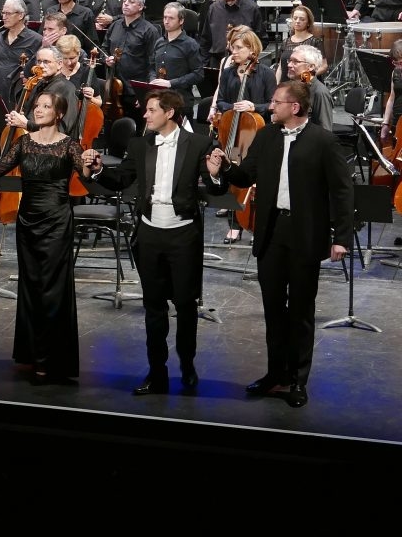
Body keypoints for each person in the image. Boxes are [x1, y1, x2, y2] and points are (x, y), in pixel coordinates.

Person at [219, 80, 354, 408]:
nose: (270, 106)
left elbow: (342, 191)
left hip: (305, 233)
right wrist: (222, 167)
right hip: (272, 232)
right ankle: (274, 374)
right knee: (273, 309)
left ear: (295, 107)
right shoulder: (266, 137)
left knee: (301, 311)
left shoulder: (322, 141)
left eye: (277, 102)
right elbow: (245, 176)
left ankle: (297, 379)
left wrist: (342, 238)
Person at [83, 89, 226, 395]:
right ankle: (156, 371)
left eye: (150, 110)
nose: (144, 115)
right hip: (149, 232)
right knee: (154, 306)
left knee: (186, 306)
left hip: (183, 234)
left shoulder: (198, 143)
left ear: (169, 113)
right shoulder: (141, 143)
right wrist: (97, 170)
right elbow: (122, 179)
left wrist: (215, 175)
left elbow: (214, 188)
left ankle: (187, 366)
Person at [0, 91, 87, 383]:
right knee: (32, 287)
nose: (39, 110)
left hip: (57, 222)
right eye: (37, 105)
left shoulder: (70, 145)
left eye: (46, 106)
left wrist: (93, 164)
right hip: (28, 222)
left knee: (53, 288)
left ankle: (53, 358)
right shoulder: (24, 143)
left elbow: (87, 173)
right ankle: (34, 355)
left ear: (59, 114)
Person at [212, 27, 277, 243]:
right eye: (232, 47)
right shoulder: (229, 72)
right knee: (232, 178)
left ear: (252, 49)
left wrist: (253, 107)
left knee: (257, 180)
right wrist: (233, 107)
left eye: (239, 48)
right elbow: (220, 100)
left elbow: (273, 104)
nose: (234, 51)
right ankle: (234, 224)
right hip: (233, 133)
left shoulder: (266, 73)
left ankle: (255, 221)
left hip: (257, 134)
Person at [99, 0, 158, 116]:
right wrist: (106, 59)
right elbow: (103, 49)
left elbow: (153, 63)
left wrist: (146, 92)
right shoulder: (114, 26)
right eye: (125, 1)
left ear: (141, 7)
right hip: (113, 87)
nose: (126, 4)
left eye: (131, 2)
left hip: (134, 89)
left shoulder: (149, 30)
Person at [3, 47, 79, 136]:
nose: (41, 66)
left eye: (46, 62)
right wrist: (17, 118)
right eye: (39, 61)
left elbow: (62, 128)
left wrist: (27, 124)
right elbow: (30, 114)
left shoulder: (66, 88)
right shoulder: (39, 84)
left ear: (59, 64)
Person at [151, 3, 205, 119]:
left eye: (171, 18)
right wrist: (152, 82)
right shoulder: (159, 42)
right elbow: (151, 66)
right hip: (159, 99)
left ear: (181, 21)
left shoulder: (190, 44)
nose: (166, 21)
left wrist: (171, 83)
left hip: (180, 101)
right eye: (165, 17)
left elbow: (198, 74)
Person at [0, 0, 42, 107]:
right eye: (3, 13)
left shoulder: (36, 40)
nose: (4, 17)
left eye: (8, 13)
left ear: (21, 15)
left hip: (19, 98)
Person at [198, 0, 261, 66]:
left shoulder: (252, 9)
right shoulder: (214, 8)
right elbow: (205, 39)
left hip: (244, 62)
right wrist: (203, 65)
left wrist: (249, 57)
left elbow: (261, 39)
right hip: (217, 60)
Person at [285, 45, 333, 131]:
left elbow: (325, 130)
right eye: (290, 60)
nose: (289, 65)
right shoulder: (292, 86)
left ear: (310, 67)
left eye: (295, 62)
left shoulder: (320, 92)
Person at [276, 4, 327, 82]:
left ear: (308, 22)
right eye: (295, 18)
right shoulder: (285, 42)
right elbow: (280, 68)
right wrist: (276, 87)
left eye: (302, 19)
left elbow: (323, 66)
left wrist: (304, 79)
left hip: (306, 86)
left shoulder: (315, 42)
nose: (297, 21)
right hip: (286, 85)